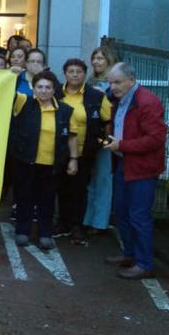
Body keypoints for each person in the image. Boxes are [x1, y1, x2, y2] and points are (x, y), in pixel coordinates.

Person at [103, 62, 166, 279]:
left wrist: (122, 145)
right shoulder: (121, 100)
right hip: (125, 163)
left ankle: (144, 263)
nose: (113, 87)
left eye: (117, 82)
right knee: (122, 212)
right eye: (111, 82)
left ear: (132, 79)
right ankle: (130, 254)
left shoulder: (147, 102)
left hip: (142, 168)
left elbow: (155, 139)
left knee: (138, 215)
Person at [9, 70, 79, 250]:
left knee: (46, 201)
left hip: (51, 165)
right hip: (25, 161)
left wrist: (73, 159)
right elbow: (8, 91)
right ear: (33, 88)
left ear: (54, 89)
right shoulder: (23, 102)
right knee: (24, 198)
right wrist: (14, 75)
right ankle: (22, 231)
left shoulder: (65, 110)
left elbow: (72, 136)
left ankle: (45, 233)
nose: (44, 90)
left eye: (48, 87)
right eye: (39, 86)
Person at [55, 58, 111, 245]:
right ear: (65, 74)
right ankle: (63, 222)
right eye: (71, 71)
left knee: (80, 189)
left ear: (85, 74)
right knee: (62, 187)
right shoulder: (56, 93)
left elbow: (107, 119)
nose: (75, 74)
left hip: (85, 151)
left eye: (79, 71)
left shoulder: (96, 96)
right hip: (59, 150)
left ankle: (77, 225)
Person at [84, 46, 119, 233]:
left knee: (103, 179)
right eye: (94, 58)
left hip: (106, 137)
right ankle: (88, 218)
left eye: (101, 58)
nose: (96, 62)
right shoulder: (90, 80)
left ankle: (99, 222)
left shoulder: (113, 84)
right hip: (91, 136)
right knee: (91, 180)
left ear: (109, 61)